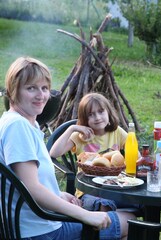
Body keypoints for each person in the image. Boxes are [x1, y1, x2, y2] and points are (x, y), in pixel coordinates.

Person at [0, 56, 135, 239]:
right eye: (31, 88)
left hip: (38, 224)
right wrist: (85, 215)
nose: (41, 95)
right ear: (13, 90)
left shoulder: (21, 123)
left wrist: (58, 194)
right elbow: (31, 187)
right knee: (131, 220)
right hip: (42, 232)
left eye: (44, 88)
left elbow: (29, 183)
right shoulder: (17, 126)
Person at [50, 92, 133, 212]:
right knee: (104, 204)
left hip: (114, 188)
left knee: (142, 203)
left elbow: (136, 156)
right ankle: (105, 227)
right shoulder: (79, 137)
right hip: (88, 192)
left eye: (101, 111)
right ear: (84, 118)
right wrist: (72, 128)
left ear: (108, 112)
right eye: (91, 114)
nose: (98, 117)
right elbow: (54, 153)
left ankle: (127, 226)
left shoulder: (117, 132)